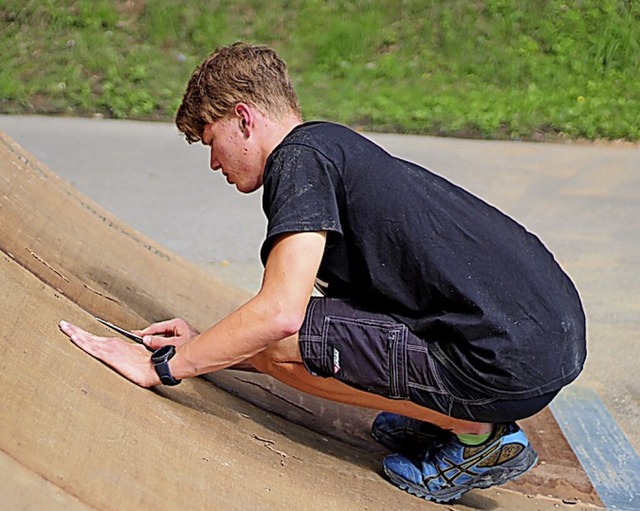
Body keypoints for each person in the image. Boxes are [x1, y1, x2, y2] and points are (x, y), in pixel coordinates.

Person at [59, 42, 586, 503]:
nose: (214, 162)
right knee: (295, 336)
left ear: (244, 118)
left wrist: (168, 367)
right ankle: (450, 412)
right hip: (542, 339)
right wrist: (207, 345)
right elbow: (326, 318)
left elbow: (281, 316)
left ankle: (475, 431)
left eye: (209, 139)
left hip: (501, 362)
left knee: (280, 341)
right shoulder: (331, 147)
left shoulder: (298, 161)